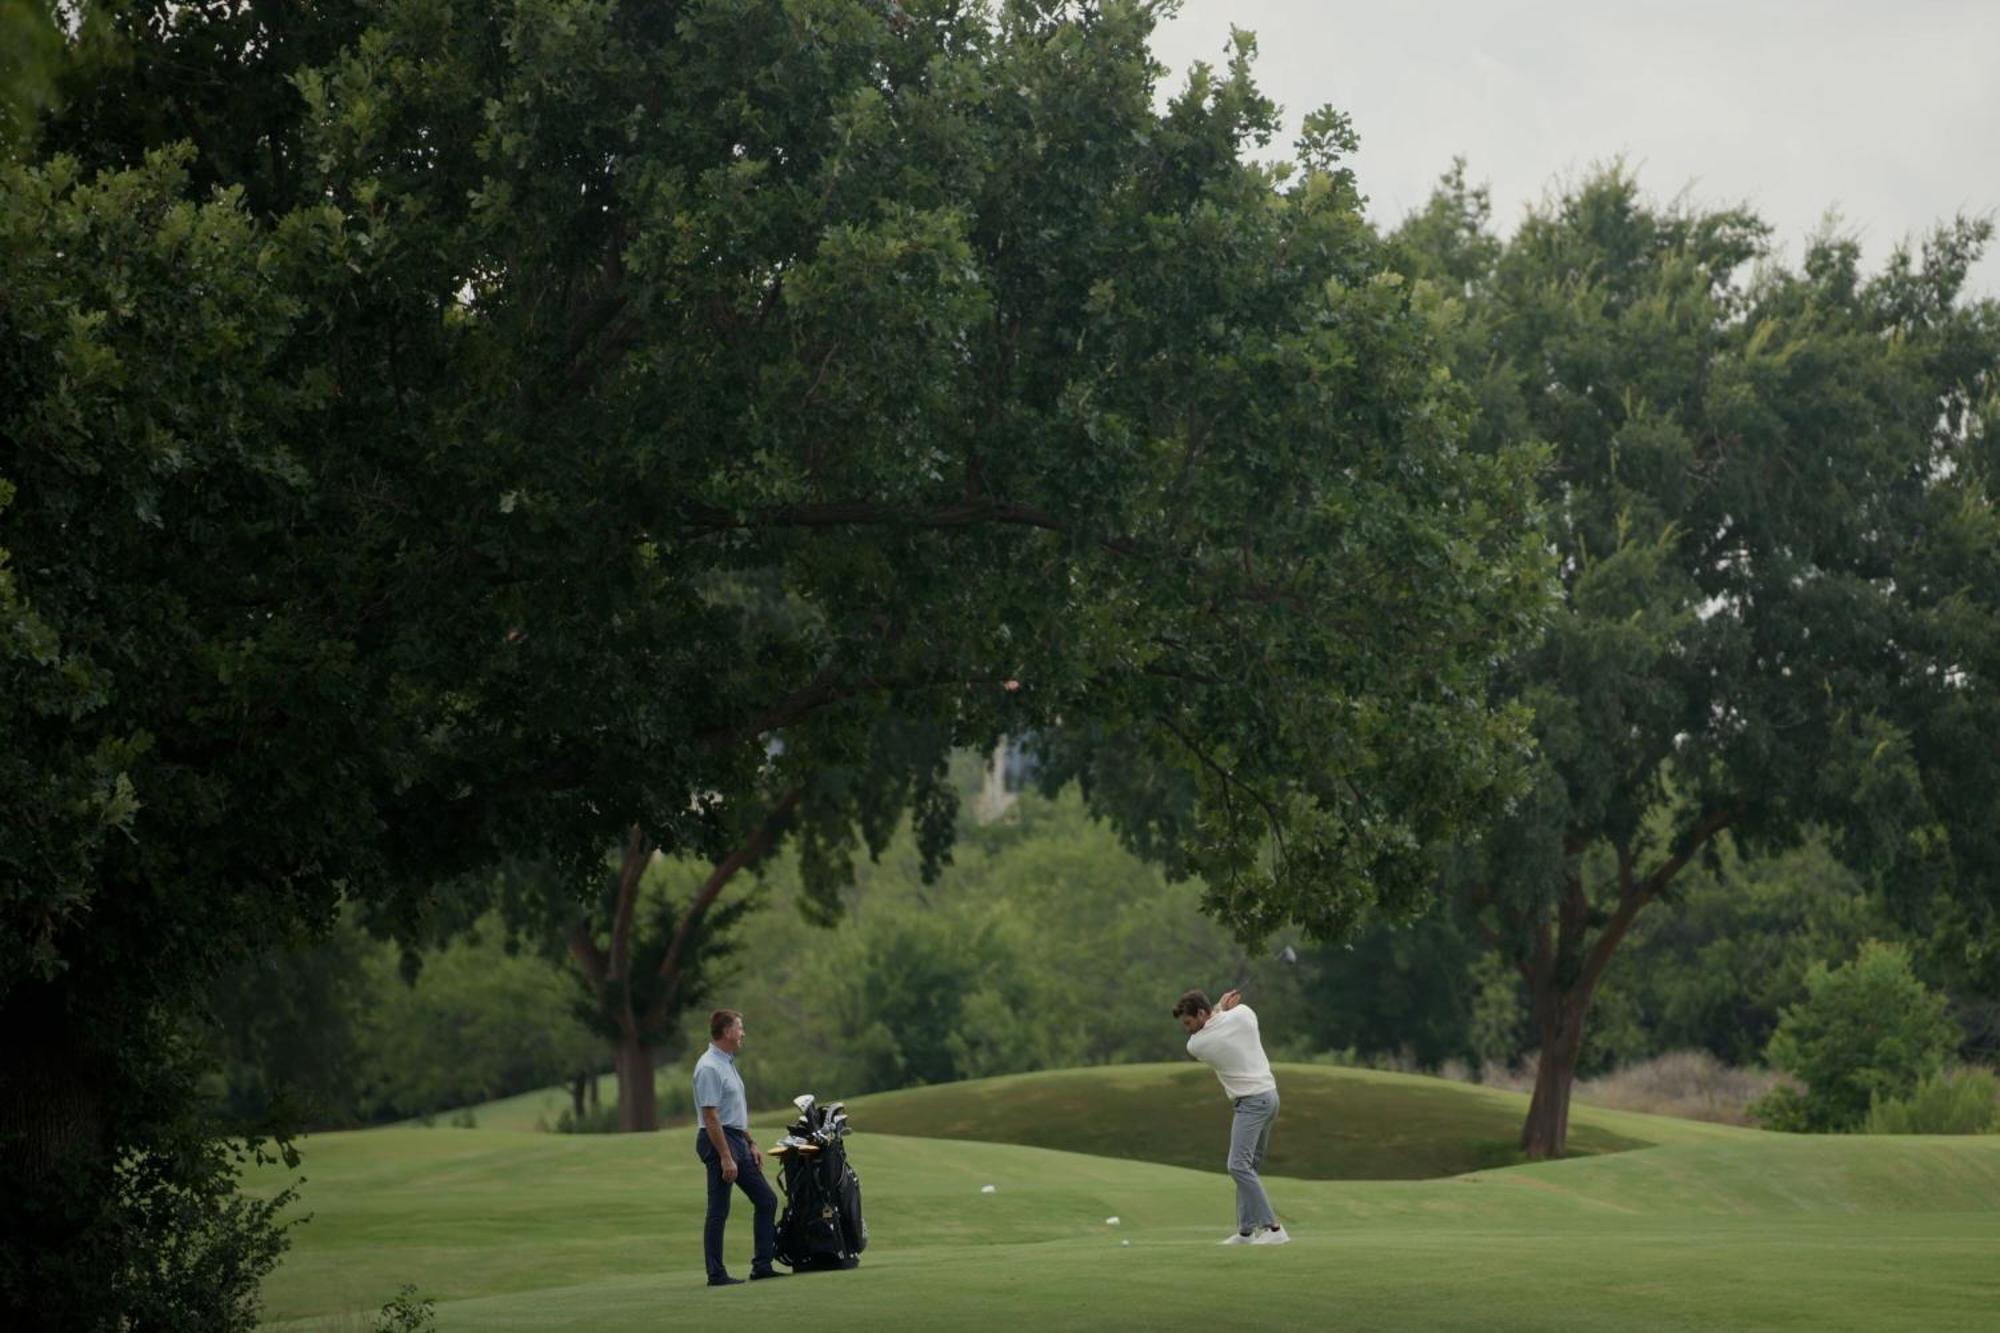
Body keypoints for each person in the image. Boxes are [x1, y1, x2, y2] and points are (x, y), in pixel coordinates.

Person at [1174, 987, 1289, 1246]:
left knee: (1237, 1166)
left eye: (1189, 1022)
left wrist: (1219, 1007)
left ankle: (1273, 1229)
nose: (1187, 1029)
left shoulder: (1197, 1045)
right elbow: (1223, 1017)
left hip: (1250, 1103)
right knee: (1248, 1168)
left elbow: (1213, 1023)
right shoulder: (1246, 1014)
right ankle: (1246, 1232)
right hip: (1270, 1097)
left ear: (1202, 1013)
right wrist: (1222, 1008)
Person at [693, 1008, 786, 1286]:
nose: (743, 1033)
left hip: (735, 1138)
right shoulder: (709, 1066)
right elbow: (711, 1116)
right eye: (740, 1028)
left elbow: (732, 1111)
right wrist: (725, 1156)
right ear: (726, 1032)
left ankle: (762, 1265)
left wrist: (750, 1142)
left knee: (766, 1200)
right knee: (718, 1209)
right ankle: (716, 1274)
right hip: (718, 1140)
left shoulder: (726, 1062)